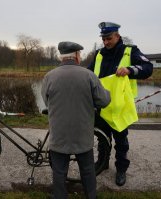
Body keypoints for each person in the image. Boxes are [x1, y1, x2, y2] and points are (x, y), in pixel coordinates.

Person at [41, 41, 110, 199]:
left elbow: (47, 101)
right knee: (87, 170)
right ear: (77, 56)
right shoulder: (89, 75)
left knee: (59, 172)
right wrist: (107, 92)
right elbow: (103, 101)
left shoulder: (49, 77)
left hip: (59, 134)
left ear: (61, 57)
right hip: (83, 134)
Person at [88, 22, 153, 186]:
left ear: (117, 36)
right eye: (103, 39)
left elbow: (148, 67)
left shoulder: (130, 51)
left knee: (121, 142)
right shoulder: (99, 54)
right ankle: (102, 164)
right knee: (102, 140)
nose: (106, 42)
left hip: (120, 107)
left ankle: (121, 169)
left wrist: (130, 70)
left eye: (108, 38)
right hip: (101, 106)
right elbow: (88, 75)